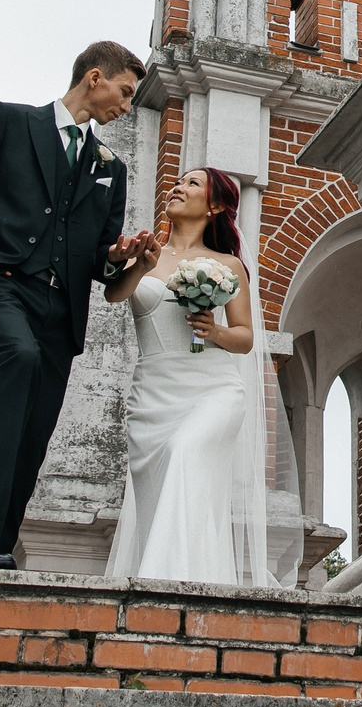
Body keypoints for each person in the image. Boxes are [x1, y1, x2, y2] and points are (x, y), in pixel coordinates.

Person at [0, 40, 159, 570]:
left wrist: (121, 257)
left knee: (36, 428)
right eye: (124, 92)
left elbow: (97, 260)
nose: (126, 106)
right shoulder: (9, 122)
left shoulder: (111, 168)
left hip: (61, 311)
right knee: (17, 360)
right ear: (94, 78)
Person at [103, 166, 299, 588]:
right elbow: (114, 294)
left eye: (192, 183)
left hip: (213, 389)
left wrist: (214, 331)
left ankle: (167, 591)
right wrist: (139, 266)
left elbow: (245, 338)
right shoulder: (145, 252)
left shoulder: (228, 264)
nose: (178, 187)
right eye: (178, 181)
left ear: (215, 206)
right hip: (153, 393)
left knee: (185, 454)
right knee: (159, 495)